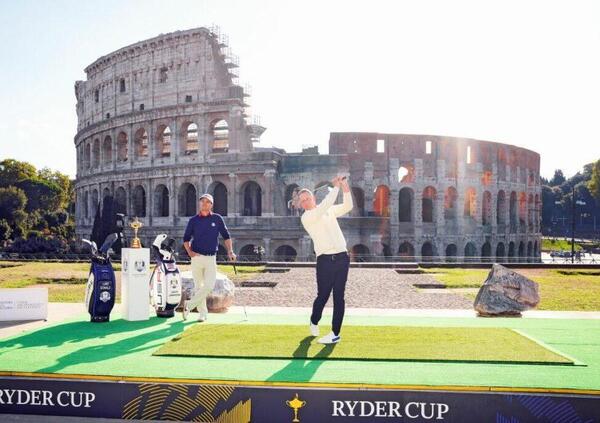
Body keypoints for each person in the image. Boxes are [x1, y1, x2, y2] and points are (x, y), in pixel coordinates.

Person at [298, 176, 353, 344]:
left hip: (342, 258)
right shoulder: (307, 218)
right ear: (301, 204)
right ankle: (314, 320)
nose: (306, 202)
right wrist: (335, 187)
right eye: (303, 201)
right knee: (322, 295)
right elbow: (324, 207)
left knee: (339, 297)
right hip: (325, 261)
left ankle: (335, 333)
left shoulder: (327, 209)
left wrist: (344, 186)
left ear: (313, 198)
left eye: (308, 198)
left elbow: (348, 206)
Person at [182, 193, 236, 322]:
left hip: (211, 257)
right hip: (196, 257)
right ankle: (202, 314)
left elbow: (226, 236)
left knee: (209, 286)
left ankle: (189, 305)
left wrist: (230, 251)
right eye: (202, 201)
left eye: (207, 202)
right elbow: (186, 239)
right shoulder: (193, 220)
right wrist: (189, 252)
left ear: (211, 205)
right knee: (198, 287)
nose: (204, 204)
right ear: (199, 203)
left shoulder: (217, 219)